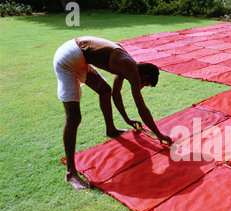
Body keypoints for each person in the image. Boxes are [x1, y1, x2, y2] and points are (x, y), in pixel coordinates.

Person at [53, 36, 173, 190]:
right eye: (146, 84)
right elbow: (141, 107)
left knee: (105, 91)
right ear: (145, 77)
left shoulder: (126, 65)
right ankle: (71, 173)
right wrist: (159, 134)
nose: (142, 87)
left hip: (79, 56)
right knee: (74, 116)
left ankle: (111, 129)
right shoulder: (129, 68)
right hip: (68, 59)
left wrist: (127, 119)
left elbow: (115, 94)